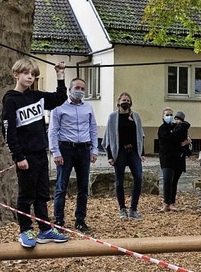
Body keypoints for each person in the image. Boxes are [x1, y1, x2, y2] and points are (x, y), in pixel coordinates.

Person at [2, 59, 69, 248]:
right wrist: (19, 157)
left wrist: (60, 74)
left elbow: (59, 98)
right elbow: (8, 132)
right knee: (26, 196)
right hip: (26, 157)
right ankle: (25, 230)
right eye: (26, 73)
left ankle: (45, 229)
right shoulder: (10, 99)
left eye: (33, 74)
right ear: (16, 74)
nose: (30, 77)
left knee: (42, 194)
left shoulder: (37, 96)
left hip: (41, 154)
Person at [49, 78, 98, 233]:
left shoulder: (88, 107)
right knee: (61, 187)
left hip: (84, 149)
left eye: (82, 88)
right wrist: (55, 151)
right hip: (66, 149)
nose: (80, 91)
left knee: (83, 187)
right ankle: (58, 221)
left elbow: (93, 129)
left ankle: (80, 220)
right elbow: (53, 130)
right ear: (69, 89)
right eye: (77, 87)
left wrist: (95, 149)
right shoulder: (59, 107)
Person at [102, 92, 145, 220]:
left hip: (133, 152)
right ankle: (122, 208)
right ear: (118, 102)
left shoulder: (135, 116)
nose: (126, 102)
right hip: (119, 152)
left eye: (128, 100)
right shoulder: (113, 117)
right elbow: (109, 137)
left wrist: (142, 153)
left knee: (138, 178)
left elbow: (141, 135)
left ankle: (133, 209)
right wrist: (110, 155)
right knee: (119, 181)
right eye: (123, 100)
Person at [158, 108, 191, 212]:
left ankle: (172, 202)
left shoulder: (176, 127)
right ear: (163, 116)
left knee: (174, 181)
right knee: (167, 180)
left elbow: (183, 135)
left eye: (171, 114)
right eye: (167, 115)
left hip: (177, 158)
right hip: (167, 158)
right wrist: (180, 139)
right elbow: (171, 139)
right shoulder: (162, 129)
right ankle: (166, 203)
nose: (169, 117)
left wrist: (185, 141)